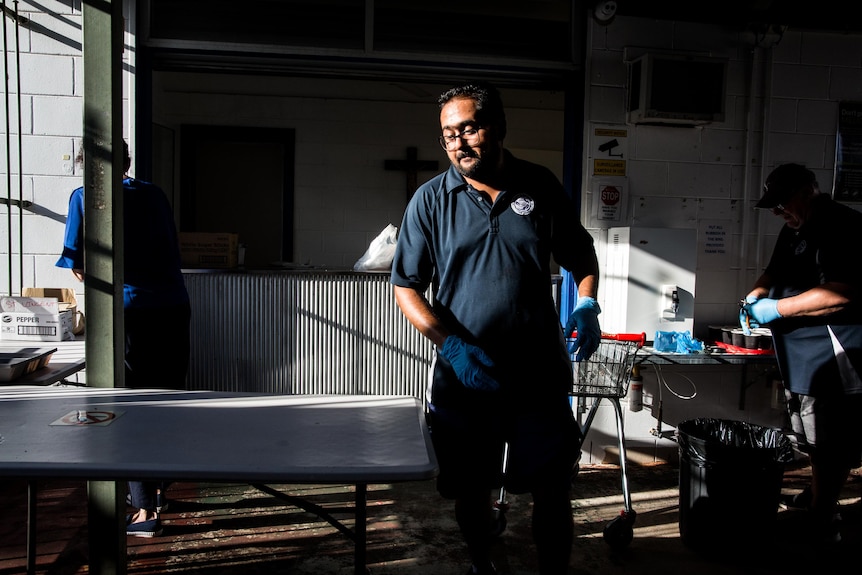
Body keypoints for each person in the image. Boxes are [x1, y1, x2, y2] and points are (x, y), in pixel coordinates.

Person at [390, 82, 602, 575]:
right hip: (467, 374)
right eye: (448, 134)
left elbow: (579, 253)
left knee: (552, 485)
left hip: (538, 373)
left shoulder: (540, 185)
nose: (458, 142)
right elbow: (406, 287)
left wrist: (587, 304)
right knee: (471, 484)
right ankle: (482, 563)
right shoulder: (430, 200)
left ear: (498, 128)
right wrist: (450, 345)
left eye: (468, 128)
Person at [56, 140, 192, 538]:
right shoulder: (154, 194)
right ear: (128, 161)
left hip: (131, 312)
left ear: (86, 165)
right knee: (166, 401)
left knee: (130, 407)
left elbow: (79, 265)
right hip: (172, 307)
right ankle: (157, 491)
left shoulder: (84, 198)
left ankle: (144, 509)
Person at [741, 162, 862, 544]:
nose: (778, 212)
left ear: (808, 190)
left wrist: (776, 310)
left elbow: (842, 293)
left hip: (834, 352)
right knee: (809, 433)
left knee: (829, 437)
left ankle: (822, 515)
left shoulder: (842, 225)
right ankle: (817, 493)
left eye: (782, 203)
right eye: (773, 207)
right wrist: (755, 296)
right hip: (798, 353)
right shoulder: (793, 228)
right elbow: (773, 272)